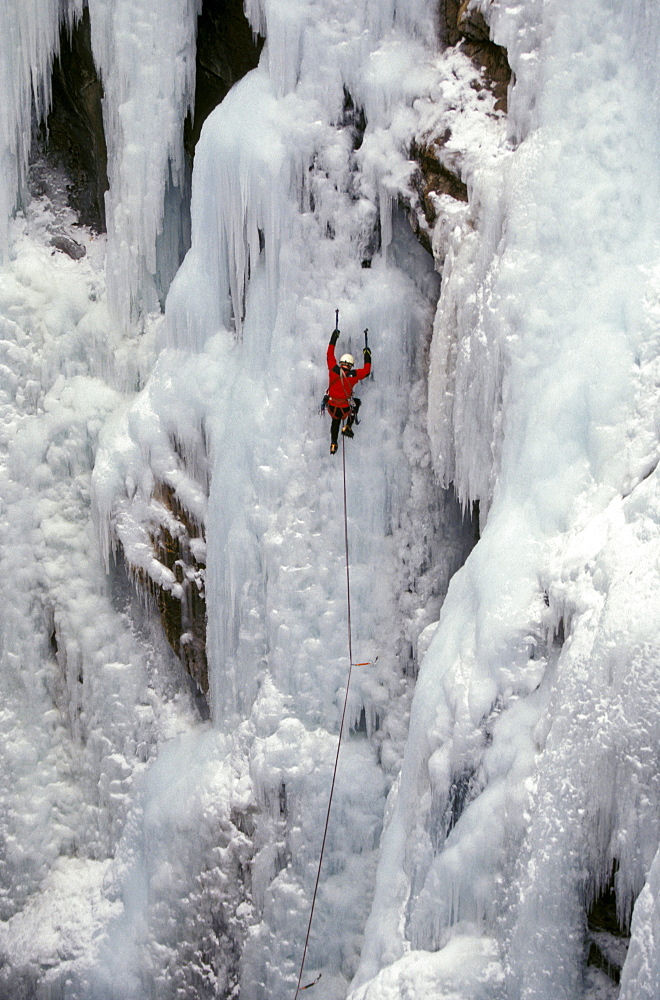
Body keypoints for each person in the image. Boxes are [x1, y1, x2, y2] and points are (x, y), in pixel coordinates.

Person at [325, 327, 371, 454]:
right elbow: (367, 371)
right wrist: (367, 355)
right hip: (345, 407)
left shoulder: (333, 370)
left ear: (340, 363)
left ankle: (333, 443)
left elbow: (329, 354)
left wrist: (334, 338)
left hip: (332, 406)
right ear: (350, 365)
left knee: (335, 420)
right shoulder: (354, 374)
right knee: (356, 403)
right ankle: (348, 426)